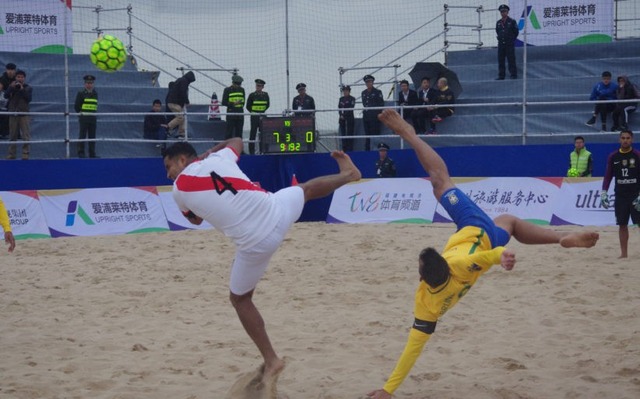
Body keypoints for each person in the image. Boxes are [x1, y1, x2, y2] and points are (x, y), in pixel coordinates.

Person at [367, 109, 599, 399]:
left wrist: (389, 389)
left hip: (486, 244)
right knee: (440, 181)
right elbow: (482, 259)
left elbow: (412, 349)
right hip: (476, 232)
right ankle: (409, 134)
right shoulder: (457, 264)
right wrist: (503, 257)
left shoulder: (426, 306)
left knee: (510, 222)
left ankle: (561, 239)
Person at [163, 139, 361, 384]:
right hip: (275, 210)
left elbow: (194, 221)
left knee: (240, 299)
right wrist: (211, 152)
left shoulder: (178, 189)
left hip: (256, 243)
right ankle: (348, 175)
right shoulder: (219, 158)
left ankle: (271, 359)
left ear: (182, 160)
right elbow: (237, 140)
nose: (168, 173)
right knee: (306, 190)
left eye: (169, 166)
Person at [600, 129, 640, 259]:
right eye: (623, 138)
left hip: (636, 196)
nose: (625, 140)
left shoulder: (637, 155)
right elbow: (608, 176)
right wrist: (604, 192)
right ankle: (624, 254)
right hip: (620, 196)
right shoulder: (613, 156)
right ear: (619, 139)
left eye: (628, 138)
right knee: (622, 225)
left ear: (632, 139)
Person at [6, 70, 32, 160]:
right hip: (13, 113)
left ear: (24, 78)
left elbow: (28, 99)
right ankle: (11, 155)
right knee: (12, 136)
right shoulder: (11, 86)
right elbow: (5, 95)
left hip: (24, 114)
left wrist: (21, 89)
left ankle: (25, 155)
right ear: (15, 78)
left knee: (26, 136)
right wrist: (10, 87)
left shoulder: (28, 87)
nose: (20, 79)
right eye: (18, 77)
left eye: (22, 77)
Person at [166, 71, 196, 140]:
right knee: (180, 117)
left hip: (173, 102)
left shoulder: (180, 80)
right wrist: (187, 101)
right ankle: (167, 128)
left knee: (182, 117)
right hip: (174, 103)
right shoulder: (184, 81)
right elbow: (183, 92)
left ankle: (181, 134)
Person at [74, 74, 99, 158]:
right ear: (85, 84)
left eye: (91, 83)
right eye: (87, 83)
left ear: (93, 84)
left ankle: (92, 153)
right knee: (82, 135)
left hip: (93, 118)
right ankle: (81, 153)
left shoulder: (95, 93)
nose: (89, 85)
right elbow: (76, 106)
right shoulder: (81, 93)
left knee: (92, 136)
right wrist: (82, 114)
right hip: (84, 118)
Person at [246, 78, 270, 155]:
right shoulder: (252, 95)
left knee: (263, 134)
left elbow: (267, 105)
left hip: (262, 116)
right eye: (257, 86)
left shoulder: (265, 95)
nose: (258, 87)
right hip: (254, 116)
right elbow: (248, 106)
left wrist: (261, 111)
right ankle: (251, 151)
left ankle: (262, 150)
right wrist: (254, 112)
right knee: (252, 133)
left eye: (259, 86)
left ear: (262, 87)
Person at [361, 74, 385, 151]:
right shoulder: (363, 93)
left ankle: (375, 150)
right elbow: (365, 104)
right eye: (367, 82)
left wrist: (377, 114)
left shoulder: (378, 92)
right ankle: (367, 150)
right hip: (366, 116)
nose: (368, 83)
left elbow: (381, 104)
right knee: (367, 134)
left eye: (370, 82)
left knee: (375, 134)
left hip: (375, 117)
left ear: (372, 82)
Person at [495, 4, 519, 80]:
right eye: (501, 11)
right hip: (501, 44)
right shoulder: (498, 22)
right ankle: (501, 76)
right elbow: (497, 31)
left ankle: (513, 75)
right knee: (501, 60)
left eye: (504, 11)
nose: (503, 13)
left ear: (507, 12)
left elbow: (516, 32)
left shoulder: (512, 21)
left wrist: (510, 39)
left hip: (509, 44)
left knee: (511, 59)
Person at [222, 74, 246, 140]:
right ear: (233, 83)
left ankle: (239, 149)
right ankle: (227, 148)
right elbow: (224, 102)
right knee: (229, 133)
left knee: (239, 133)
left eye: (239, 85)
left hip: (240, 114)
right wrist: (233, 103)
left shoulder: (242, 90)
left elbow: (243, 102)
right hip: (231, 113)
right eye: (237, 84)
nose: (238, 86)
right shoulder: (227, 90)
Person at [338, 85, 356, 152]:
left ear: (349, 91)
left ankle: (350, 149)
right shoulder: (341, 99)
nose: (345, 92)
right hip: (342, 119)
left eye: (346, 91)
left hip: (349, 119)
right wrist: (341, 115)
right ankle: (344, 149)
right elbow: (339, 108)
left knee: (349, 134)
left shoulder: (352, 99)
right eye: (344, 91)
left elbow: (351, 108)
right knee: (343, 135)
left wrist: (344, 115)